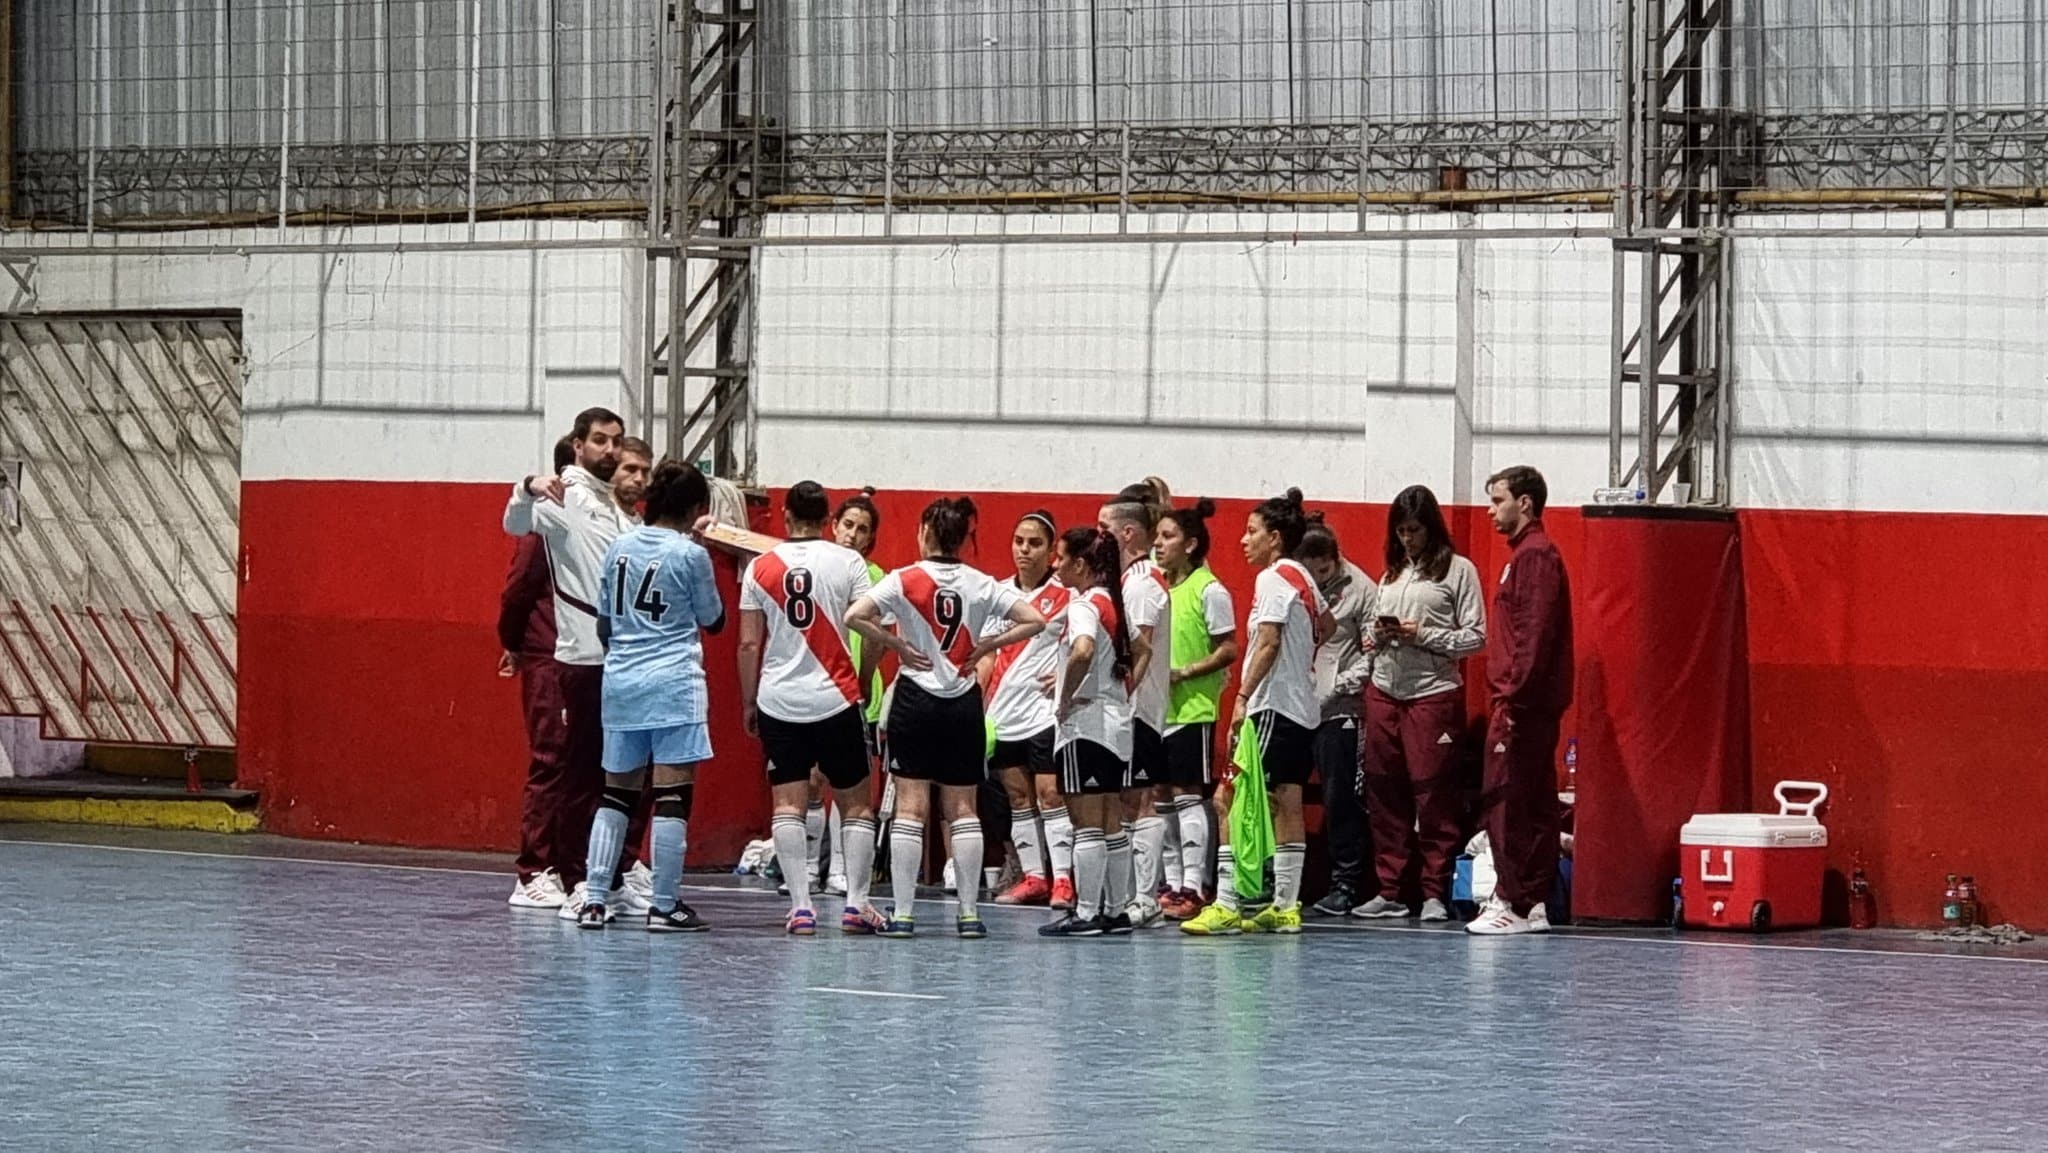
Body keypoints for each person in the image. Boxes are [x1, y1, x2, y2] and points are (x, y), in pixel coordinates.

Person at [845, 497, 1046, 939]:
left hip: (916, 700)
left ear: (926, 532)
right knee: (963, 810)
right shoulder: (980, 583)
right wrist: (988, 645)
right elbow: (1035, 619)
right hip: (962, 702)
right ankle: (970, 914)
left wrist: (896, 645)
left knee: (911, 809)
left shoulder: (904, 579)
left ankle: (902, 914)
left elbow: (855, 616)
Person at [503, 408, 660, 917]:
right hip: (579, 659)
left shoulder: (614, 507)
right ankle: (571, 879)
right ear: (577, 444)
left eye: (617, 442)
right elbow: (515, 522)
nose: (611, 451)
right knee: (574, 773)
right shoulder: (562, 495)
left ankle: (607, 873)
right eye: (600, 441)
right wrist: (527, 486)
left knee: (615, 772)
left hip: (621, 658)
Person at [578, 461, 726, 931]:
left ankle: (595, 899)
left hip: (620, 681)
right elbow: (714, 618)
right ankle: (664, 905)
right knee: (672, 797)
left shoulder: (618, 547)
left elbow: (604, 622)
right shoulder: (689, 555)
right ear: (696, 508)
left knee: (615, 794)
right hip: (673, 684)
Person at [738, 481, 886, 936]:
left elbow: (747, 642)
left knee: (787, 803)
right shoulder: (848, 562)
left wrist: (749, 700)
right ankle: (857, 904)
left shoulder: (761, 567)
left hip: (778, 697)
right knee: (857, 804)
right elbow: (874, 628)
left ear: (785, 516)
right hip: (835, 694)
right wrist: (861, 679)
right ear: (827, 520)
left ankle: (800, 907)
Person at [1182, 488, 1332, 937]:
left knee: (1224, 799)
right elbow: (1328, 624)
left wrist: (1244, 698)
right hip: (1302, 709)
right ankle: (1285, 907)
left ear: (1276, 538)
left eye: (1252, 532)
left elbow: (1266, 641)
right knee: (1286, 804)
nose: (1243, 541)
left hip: (1270, 709)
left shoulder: (1272, 579)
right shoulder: (1302, 577)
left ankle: (1227, 903)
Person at [1357, 485, 1486, 923]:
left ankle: (1435, 891)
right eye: (1401, 532)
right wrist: (1377, 635)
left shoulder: (1459, 571)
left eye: (1414, 530)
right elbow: (1368, 638)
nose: (1407, 540)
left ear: (1431, 528)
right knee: (1383, 791)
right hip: (1383, 691)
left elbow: (1475, 637)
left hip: (1433, 695)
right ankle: (1389, 889)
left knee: (1433, 796)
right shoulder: (1391, 574)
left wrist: (1423, 635)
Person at [1468, 465, 1573, 937]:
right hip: (1524, 703)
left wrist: (1514, 696)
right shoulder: (1527, 555)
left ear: (1524, 503)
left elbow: (1535, 632)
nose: (1491, 511)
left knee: (1507, 800)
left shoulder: (1535, 557)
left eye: (1497, 501)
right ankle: (1532, 904)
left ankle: (1512, 898)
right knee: (1531, 802)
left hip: (1521, 706)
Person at [1037, 527, 1136, 937]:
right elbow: (1139, 653)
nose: (1055, 565)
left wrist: (1064, 695)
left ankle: (1087, 912)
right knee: (1113, 819)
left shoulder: (1082, 604)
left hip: (1086, 725)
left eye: (1060, 558)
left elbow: (1083, 650)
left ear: (1080, 564)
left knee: (1087, 824)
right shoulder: (1113, 601)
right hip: (1116, 722)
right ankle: (1115, 909)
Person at [1153, 499, 1237, 920]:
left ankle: (1194, 884)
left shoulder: (1210, 590)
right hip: (1157, 712)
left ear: (1190, 544)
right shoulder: (1156, 588)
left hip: (1193, 710)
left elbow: (1228, 649)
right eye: (1157, 537)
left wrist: (1184, 672)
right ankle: (1170, 883)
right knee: (1161, 798)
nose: (1158, 544)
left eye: (1167, 537)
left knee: (1189, 798)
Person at [982, 511, 1071, 907]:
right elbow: (985, 656)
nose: (1024, 550)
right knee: (1018, 797)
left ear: (1051, 551)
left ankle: (1064, 880)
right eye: (1019, 541)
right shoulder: (997, 594)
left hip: (1045, 714)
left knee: (1050, 795)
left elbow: (1085, 645)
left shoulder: (1068, 596)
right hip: (1003, 714)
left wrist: (1066, 673)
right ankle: (1034, 877)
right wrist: (975, 702)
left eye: (1034, 543)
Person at [503, 436, 577, 908]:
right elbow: (516, 594)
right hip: (548, 654)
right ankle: (533, 870)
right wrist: (514, 645)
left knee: (583, 762)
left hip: (584, 656)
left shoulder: (594, 525)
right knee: (551, 756)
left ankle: (574, 864)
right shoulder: (541, 529)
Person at [1297, 518, 1379, 918]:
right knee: (1285, 794)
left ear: (1336, 558)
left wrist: (1339, 686)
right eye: (1310, 571)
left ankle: (1346, 883)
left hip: (1341, 709)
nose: (1318, 578)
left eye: (1324, 571)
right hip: (1297, 706)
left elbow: (1374, 653)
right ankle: (1282, 881)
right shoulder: (1292, 584)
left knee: (1339, 796)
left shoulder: (1362, 589)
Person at [1100, 482, 1173, 927]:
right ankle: (1126, 893)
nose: (1097, 534)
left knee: (1141, 802)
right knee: (1125, 804)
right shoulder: (1124, 581)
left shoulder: (1143, 584)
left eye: (1103, 527)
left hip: (1139, 710)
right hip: (1125, 710)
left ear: (1127, 533)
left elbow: (1140, 649)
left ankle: (1145, 899)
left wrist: (1125, 701)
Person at [820, 487, 887, 895]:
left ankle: (839, 870)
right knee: (810, 781)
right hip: (819, 688)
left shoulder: (877, 578)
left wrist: (865, 682)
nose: (853, 534)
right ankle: (810, 866)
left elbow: (879, 639)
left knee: (850, 787)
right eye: (848, 525)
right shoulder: (814, 569)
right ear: (833, 526)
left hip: (862, 693)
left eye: (862, 529)